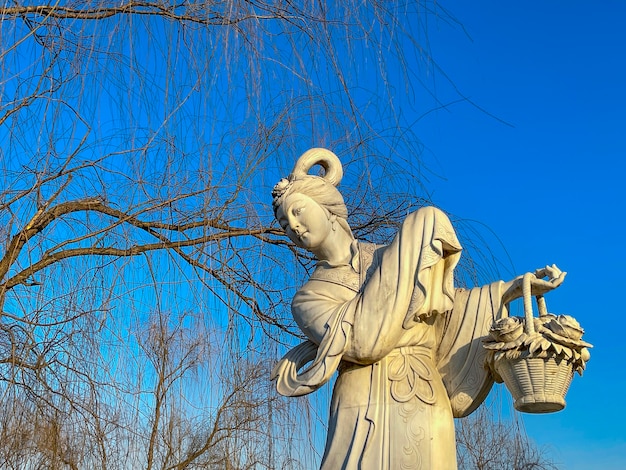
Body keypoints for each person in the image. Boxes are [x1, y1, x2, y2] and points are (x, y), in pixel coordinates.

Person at [270, 148, 565, 469]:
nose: (294, 226)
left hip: (423, 392)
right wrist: (411, 244)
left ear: (329, 209)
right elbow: (362, 342)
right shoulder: (310, 297)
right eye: (284, 223)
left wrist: (508, 290)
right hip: (361, 402)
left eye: (298, 211)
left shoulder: (393, 257)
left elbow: (446, 313)